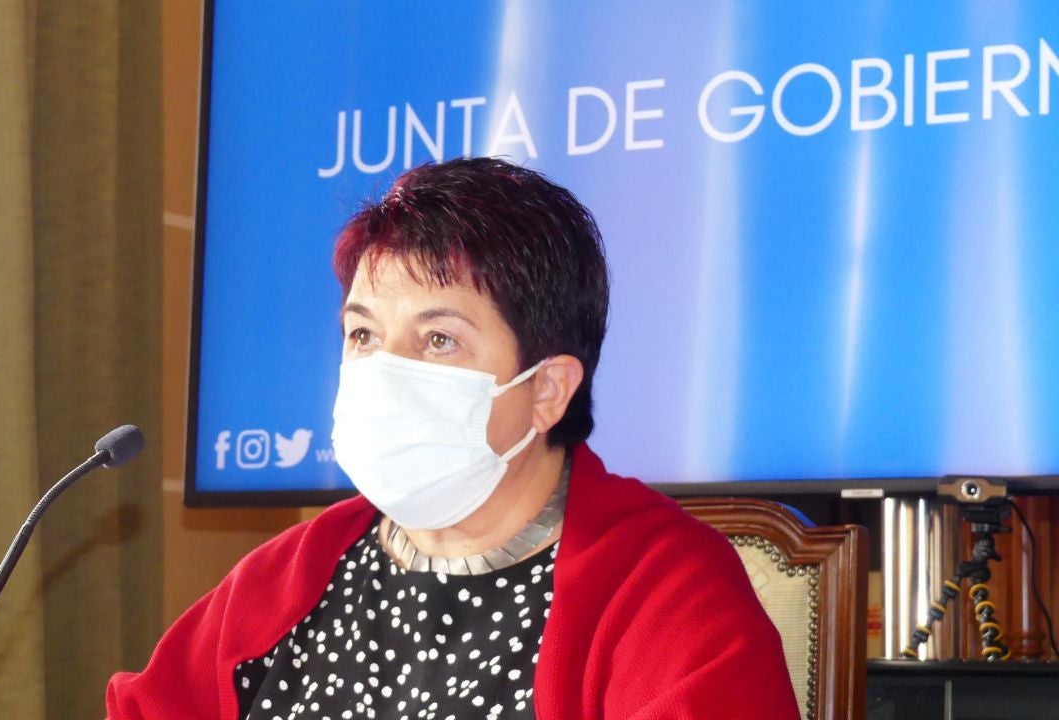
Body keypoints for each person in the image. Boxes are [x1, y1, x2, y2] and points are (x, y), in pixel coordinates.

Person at [106, 158, 800, 719]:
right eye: (363, 334)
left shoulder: (665, 591)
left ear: (546, 389)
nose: (385, 372)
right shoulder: (292, 574)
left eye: (439, 339)